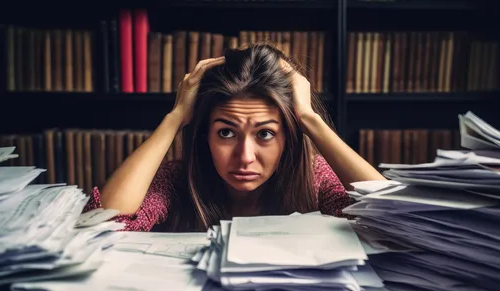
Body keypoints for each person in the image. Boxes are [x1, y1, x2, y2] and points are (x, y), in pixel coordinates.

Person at [83, 43, 385, 232]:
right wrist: (175, 118)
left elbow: (391, 216)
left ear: (289, 137)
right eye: (226, 132)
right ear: (205, 135)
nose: (245, 157)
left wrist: (308, 118)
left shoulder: (313, 178)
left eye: (265, 134)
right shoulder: (177, 180)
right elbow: (109, 221)